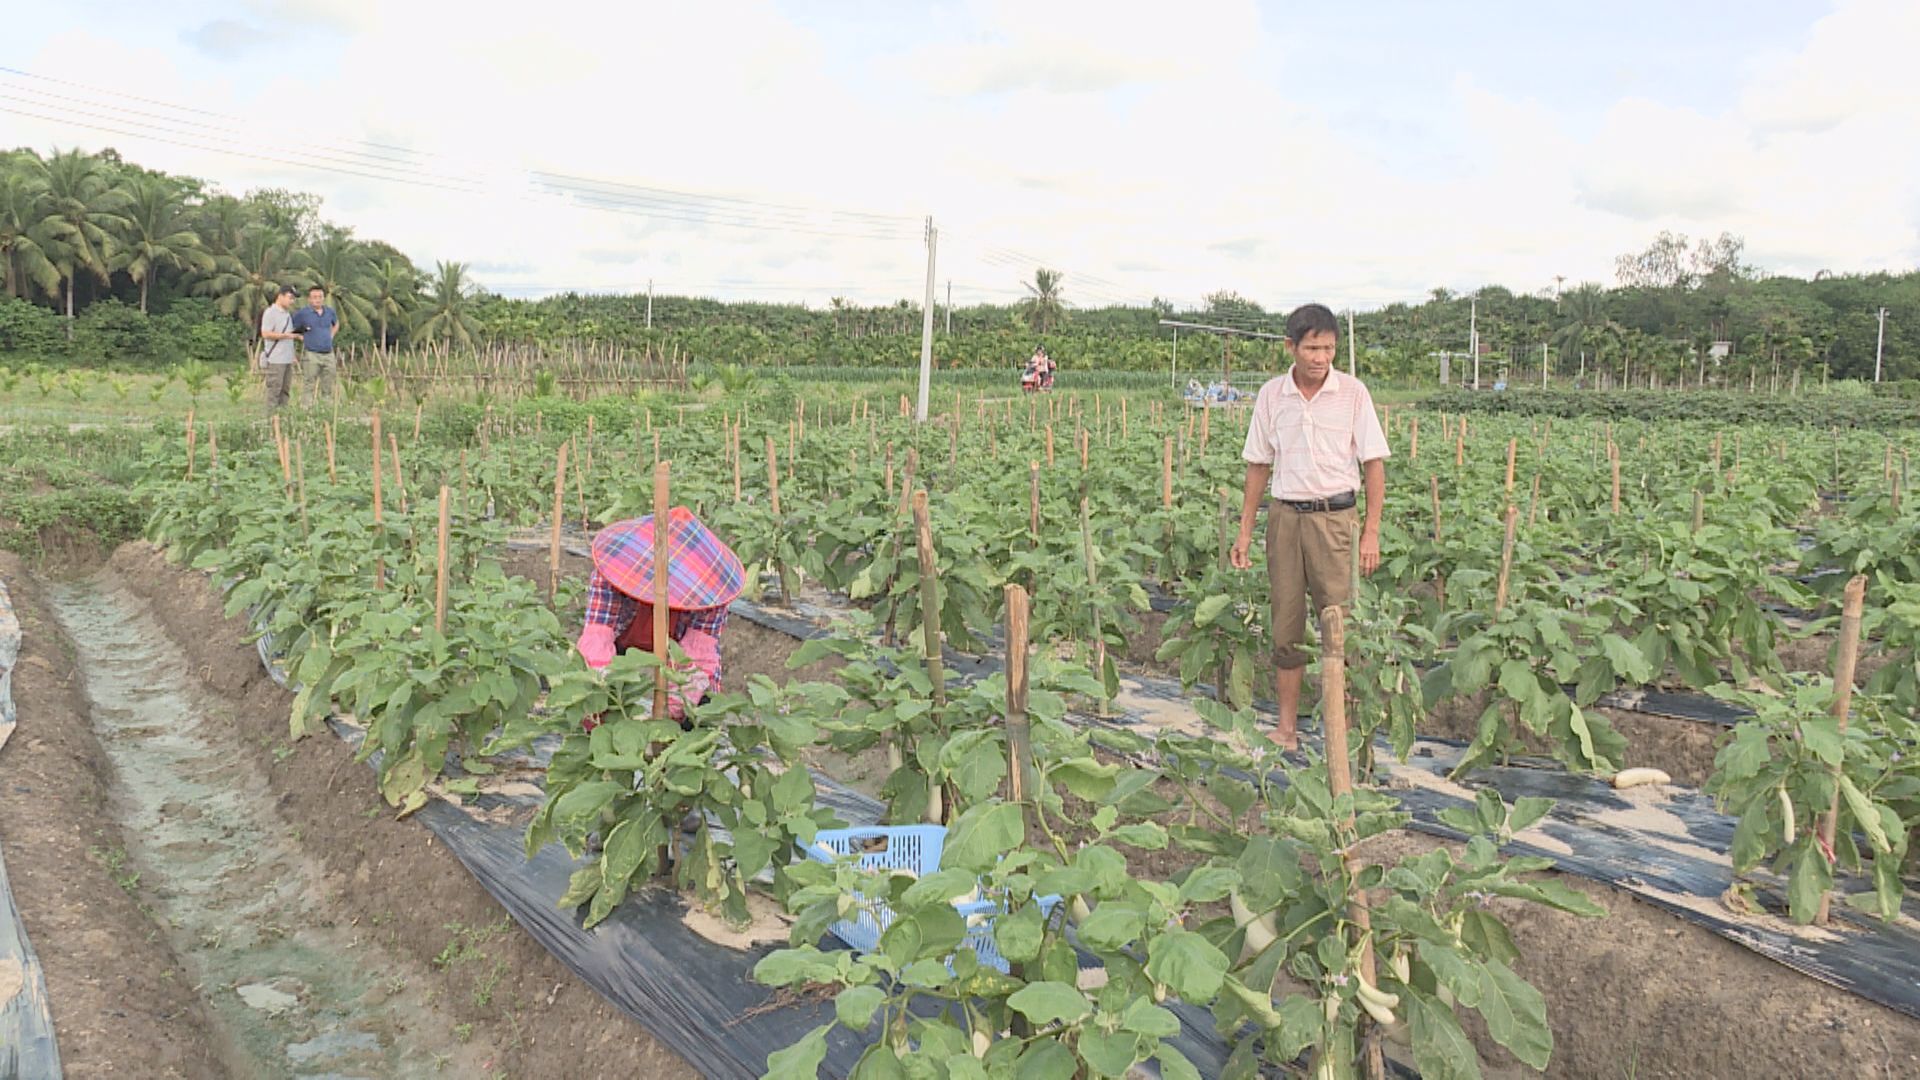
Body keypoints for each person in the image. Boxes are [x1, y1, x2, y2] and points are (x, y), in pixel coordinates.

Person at [1228, 303, 1389, 750]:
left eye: (1329, 349)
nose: (1322, 358)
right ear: (1291, 347)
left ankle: (1345, 735)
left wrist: (1371, 531)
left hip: (1335, 520)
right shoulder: (1270, 396)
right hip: (1285, 519)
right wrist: (1245, 531)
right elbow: (1258, 465)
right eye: (1313, 348)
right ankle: (1287, 729)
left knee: (1340, 623)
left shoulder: (1353, 393)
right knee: (1287, 626)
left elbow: (1373, 464)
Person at [574, 507, 746, 723]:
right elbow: (598, 637)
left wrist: (671, 717)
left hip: (677, 645)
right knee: (596, 696)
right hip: (622, 638)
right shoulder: (611, 576)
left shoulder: (712, 594)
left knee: (701, 706)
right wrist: (597, 703)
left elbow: (698, 657)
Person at [291, 285, 340, 406]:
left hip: (328, 353)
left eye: (320, 297)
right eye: (314, 297)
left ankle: (326, 409)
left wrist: (331, 335)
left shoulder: (329, 311)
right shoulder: (303, 313)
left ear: (323, 298)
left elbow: (336, 323)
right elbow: (293, 329)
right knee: (309, 383)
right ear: (309, 299)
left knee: (328, 384)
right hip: (312, 353)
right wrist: (301, 337)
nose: (317, 300)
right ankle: (306, 409)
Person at [258, 286, 300, 413]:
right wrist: (286, 336)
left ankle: (282, 418)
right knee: (274, 391)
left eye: (293, 299)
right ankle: (271, 419)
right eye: (290, 298)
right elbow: (265, 333)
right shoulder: (271, 312)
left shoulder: (287, 314)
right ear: (280, 296)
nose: (292, 301)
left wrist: (293, 354)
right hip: (276, 359)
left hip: (287, 359)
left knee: (285, 391)